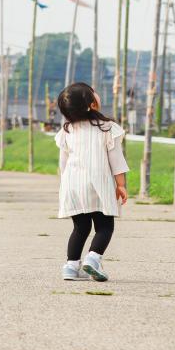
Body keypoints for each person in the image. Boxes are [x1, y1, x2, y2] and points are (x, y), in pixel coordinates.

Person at [55, 82, 129, 283]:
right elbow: (116, 160)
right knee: (105, 227)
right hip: (99, 184)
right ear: (91, 104)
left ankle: (71, 267)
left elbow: (63, 164)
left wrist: (65, 186)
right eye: (93, 93)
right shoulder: (107, 128)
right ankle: (93, 258)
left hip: (73, 185)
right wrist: (121, 185)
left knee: (80, 228)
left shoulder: (67, 131)